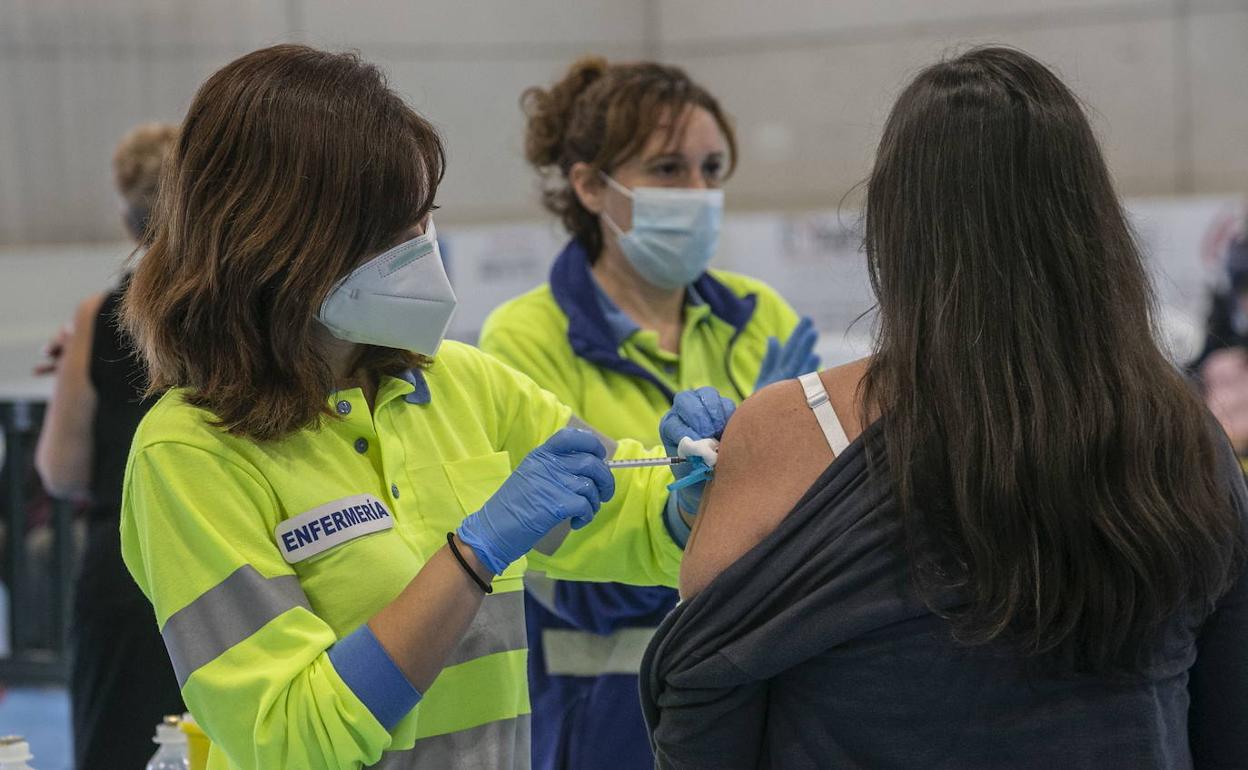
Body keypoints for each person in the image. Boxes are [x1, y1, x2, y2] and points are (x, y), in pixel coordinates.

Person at [117, 45, 732, 770]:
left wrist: (687, 501)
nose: (420, 251)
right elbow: (289, 732)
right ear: (276, 243)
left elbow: (623, 515)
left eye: (422, 218)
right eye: (388, 231)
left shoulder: (465, 384)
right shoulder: (190, 455)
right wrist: (470, 559)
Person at [642, 47, 1248, 769]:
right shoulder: (1178, 436)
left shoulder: (789, 430)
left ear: (898, 228)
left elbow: (704, 707)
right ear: (1091, 222)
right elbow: (1227, 707)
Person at [479, 56, 818, 770]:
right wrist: (738, 497)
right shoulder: (524, 339)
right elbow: (558, 566)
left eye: (712, 168)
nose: (698, 192)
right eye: (668, 169)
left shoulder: (766, 322)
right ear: (589, 185)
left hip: (762, 704)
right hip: (603, 716)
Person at [34, 121, 184, 770]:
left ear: (129, 223)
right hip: (227, 560)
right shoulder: (242, 314)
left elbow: (61, 470)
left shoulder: (99, 317)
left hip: (124, 574)